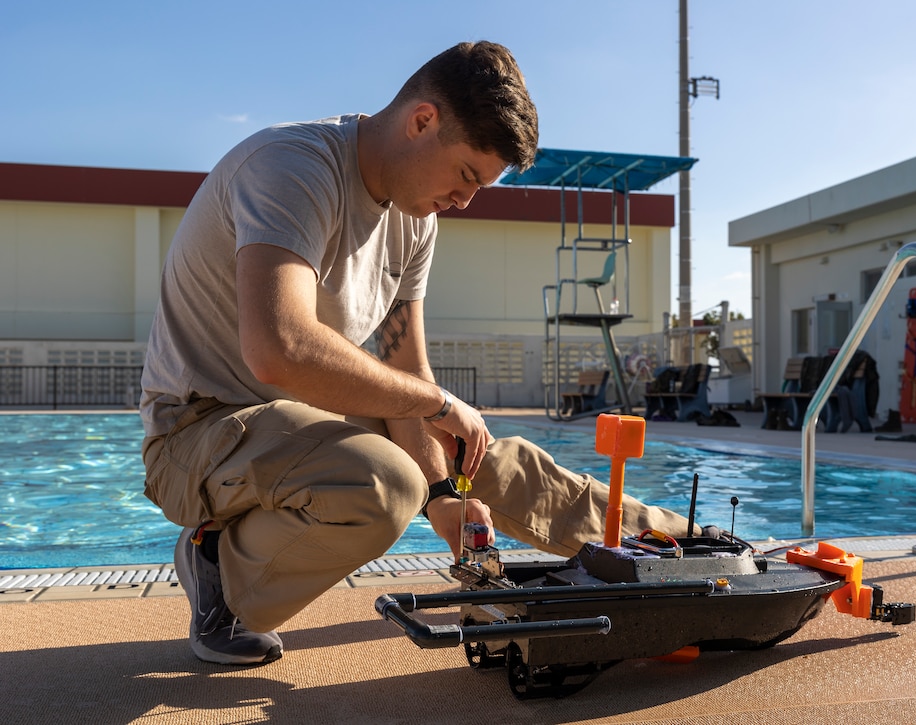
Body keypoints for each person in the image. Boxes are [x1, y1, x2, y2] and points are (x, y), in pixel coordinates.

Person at [140, 41, 695, 668]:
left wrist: (444, 492)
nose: (466, 201)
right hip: (201, 430)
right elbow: (281, 349)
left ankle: (677, 547)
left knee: (477, 454)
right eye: (465, 176)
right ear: (422, 121)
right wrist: (435, 410)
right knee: (380, 484)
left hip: (304, 421)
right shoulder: (290, 167)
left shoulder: (416, 219)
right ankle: (219, 567)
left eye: (481, 187)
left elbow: (405, 371)